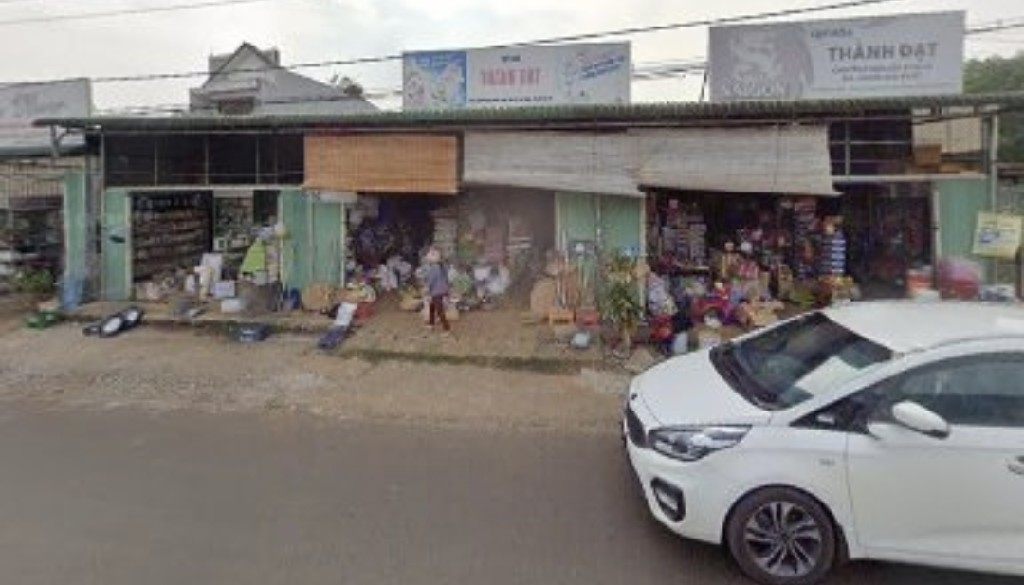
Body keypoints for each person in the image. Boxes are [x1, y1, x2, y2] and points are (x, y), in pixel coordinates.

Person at [424, 247, 451, 334]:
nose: (428, 255)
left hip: (436, 291)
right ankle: (431, 324)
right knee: (432, 306)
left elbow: (431, 280)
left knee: (439, 310)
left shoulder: (434, 267)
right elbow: (445, 278)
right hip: (441, 289)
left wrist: (427, 288)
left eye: (431, 254)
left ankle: (446, 329)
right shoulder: (441, 266)